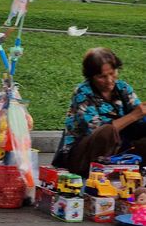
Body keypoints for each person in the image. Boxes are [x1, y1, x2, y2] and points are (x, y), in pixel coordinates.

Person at [52, 47, 146, 177]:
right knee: (107, 131)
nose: (109, 80)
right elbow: (98, 130)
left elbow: (140, 117)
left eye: (112, 73)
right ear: (91, 77)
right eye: (102, 76)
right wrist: (133, 116)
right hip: (83, 155)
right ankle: (97, 174)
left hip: (118, 150)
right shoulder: (83, 93)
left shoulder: (123, 88)